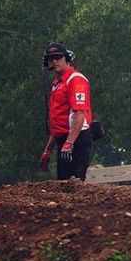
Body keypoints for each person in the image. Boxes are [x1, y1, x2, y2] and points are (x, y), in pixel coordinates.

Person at [38, 43, 94, 182]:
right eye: (51, 58)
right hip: (63, 140)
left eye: (58, 57)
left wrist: (70, 143)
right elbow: (58, 123)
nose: (55, 61)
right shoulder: (57, 83)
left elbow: (79, 113)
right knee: (62, 185)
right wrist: (48, 150)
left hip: (77, 139)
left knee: (74, 184)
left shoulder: (75, 80)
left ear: (67, 58)